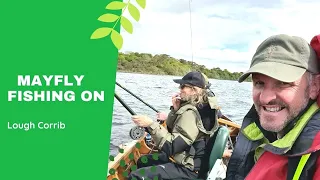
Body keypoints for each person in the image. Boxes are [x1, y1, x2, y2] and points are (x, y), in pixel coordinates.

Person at [226, 34, 320, 180]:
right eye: (259, 83)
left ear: (314, 86)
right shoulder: (258, 130)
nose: (265, 98)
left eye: (283, 83)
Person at [127, 71, 230, 180]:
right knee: (143, 161)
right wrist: (175, 110)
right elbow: (174, 130)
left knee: (136, 176)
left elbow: (171, 146)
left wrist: (150, 124)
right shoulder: (203, 106)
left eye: (182, 87)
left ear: (194, 90)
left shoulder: (191, 113)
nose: (179, 90)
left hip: (189, 169)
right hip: (188, 159)